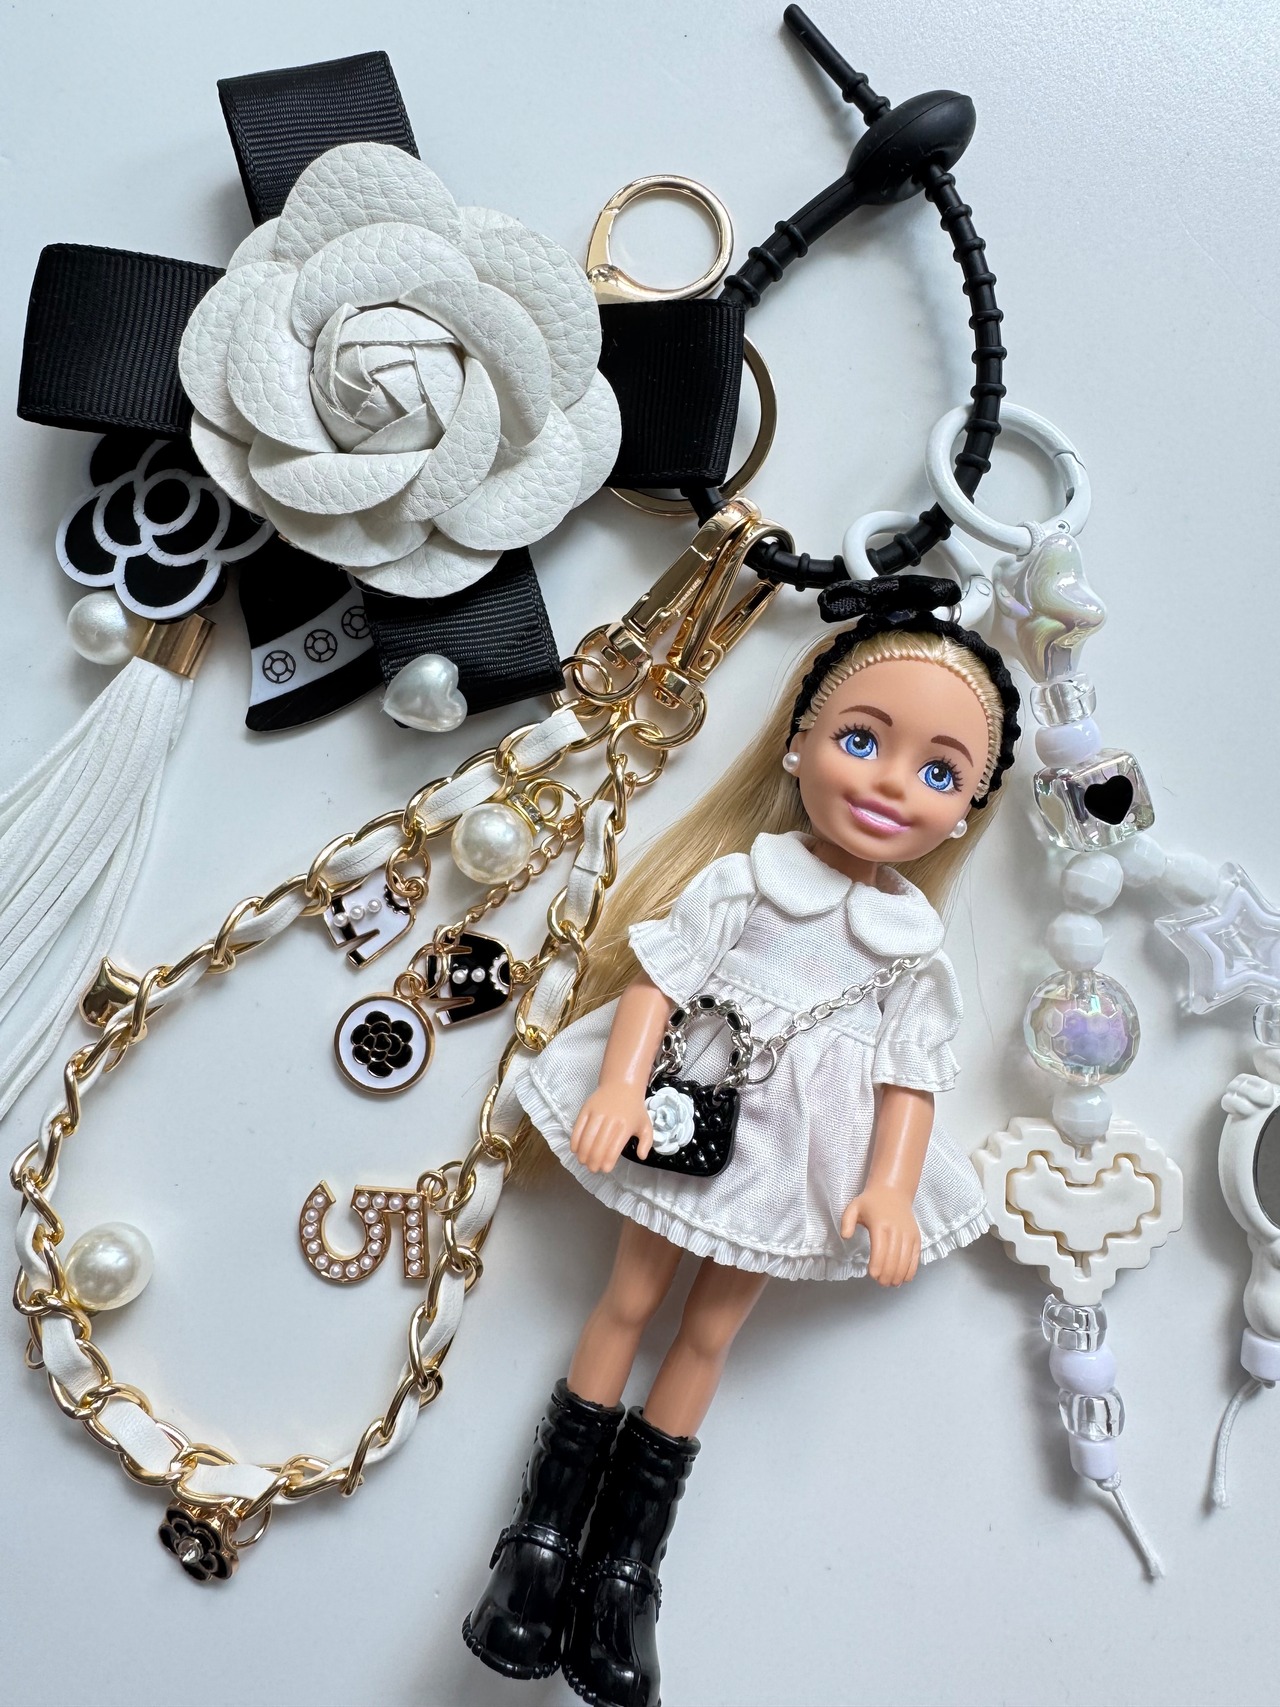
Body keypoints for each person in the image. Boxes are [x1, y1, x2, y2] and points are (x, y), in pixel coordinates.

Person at [463, 574, 1021, 1707]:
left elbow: (908, 1077)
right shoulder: (745, 883)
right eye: (861, 740)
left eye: (938, 772)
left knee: (708, 1334)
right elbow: (658, 985)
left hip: (797, 1166)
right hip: (688, 1114)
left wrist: (889, 1190)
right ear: (797, 743)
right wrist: (621, 1085)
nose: (889, 783)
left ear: (965, 811)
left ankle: (624, 1575)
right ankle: (538, 1551)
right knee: (626, 1301)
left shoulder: (912, 947)